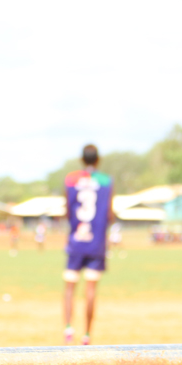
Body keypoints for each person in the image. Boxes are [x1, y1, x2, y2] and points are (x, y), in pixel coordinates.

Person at [63, 144, 113, 345]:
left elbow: (67, 210)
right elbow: (109, 213)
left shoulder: (71, 179)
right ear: (98, 160)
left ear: (82, 159)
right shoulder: (106, 181)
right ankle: (87, 335)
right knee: (91, 289)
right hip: (96, 242)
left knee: (69, 288)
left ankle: (68, 329)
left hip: (76, 240)